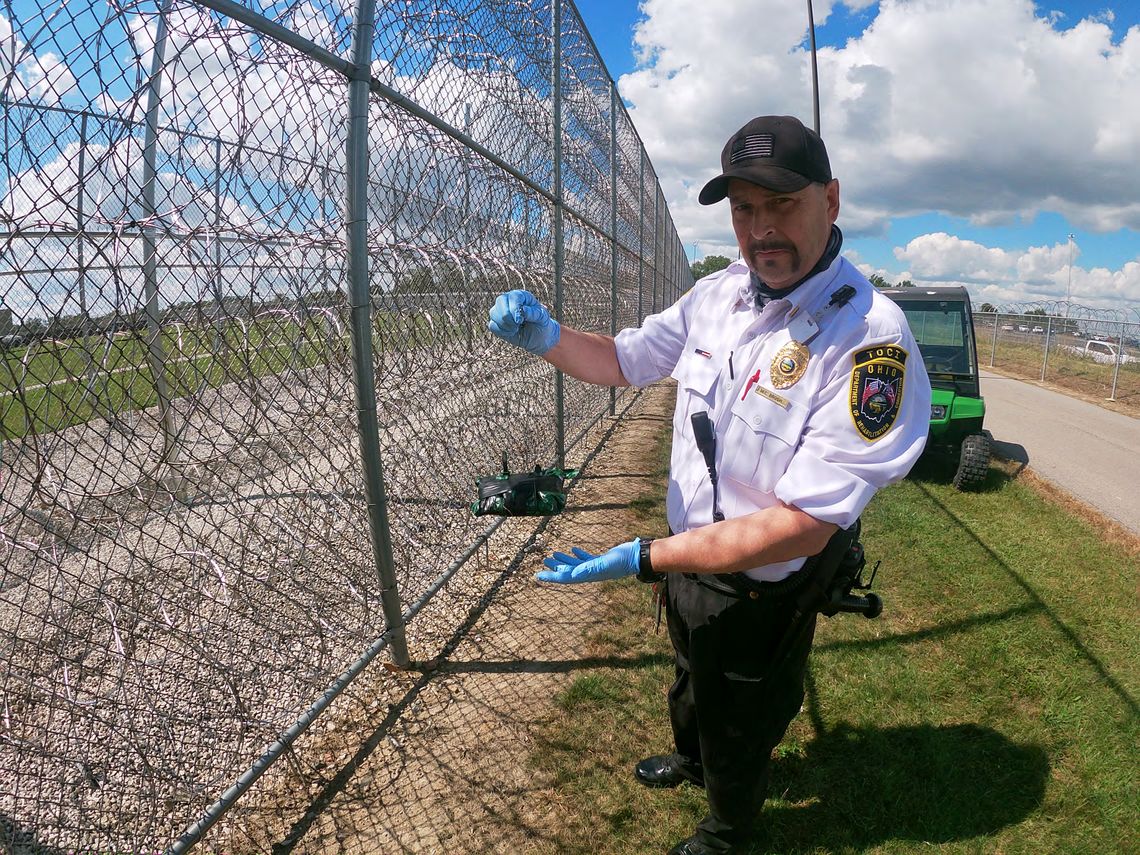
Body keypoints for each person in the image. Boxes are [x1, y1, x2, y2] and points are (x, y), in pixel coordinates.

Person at [487, 115, 931, 855]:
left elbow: (802, 523)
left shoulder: (867, 339)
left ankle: (729, 825)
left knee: (741, 711)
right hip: (689, 558)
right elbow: (626, 360)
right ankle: (695, 760)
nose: (761, 230)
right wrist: (553, 337)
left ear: (832, 198)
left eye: (782, 204)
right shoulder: (719, 294)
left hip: (761, 586)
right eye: (744, 209)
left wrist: (647, 557)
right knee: (691, 679)